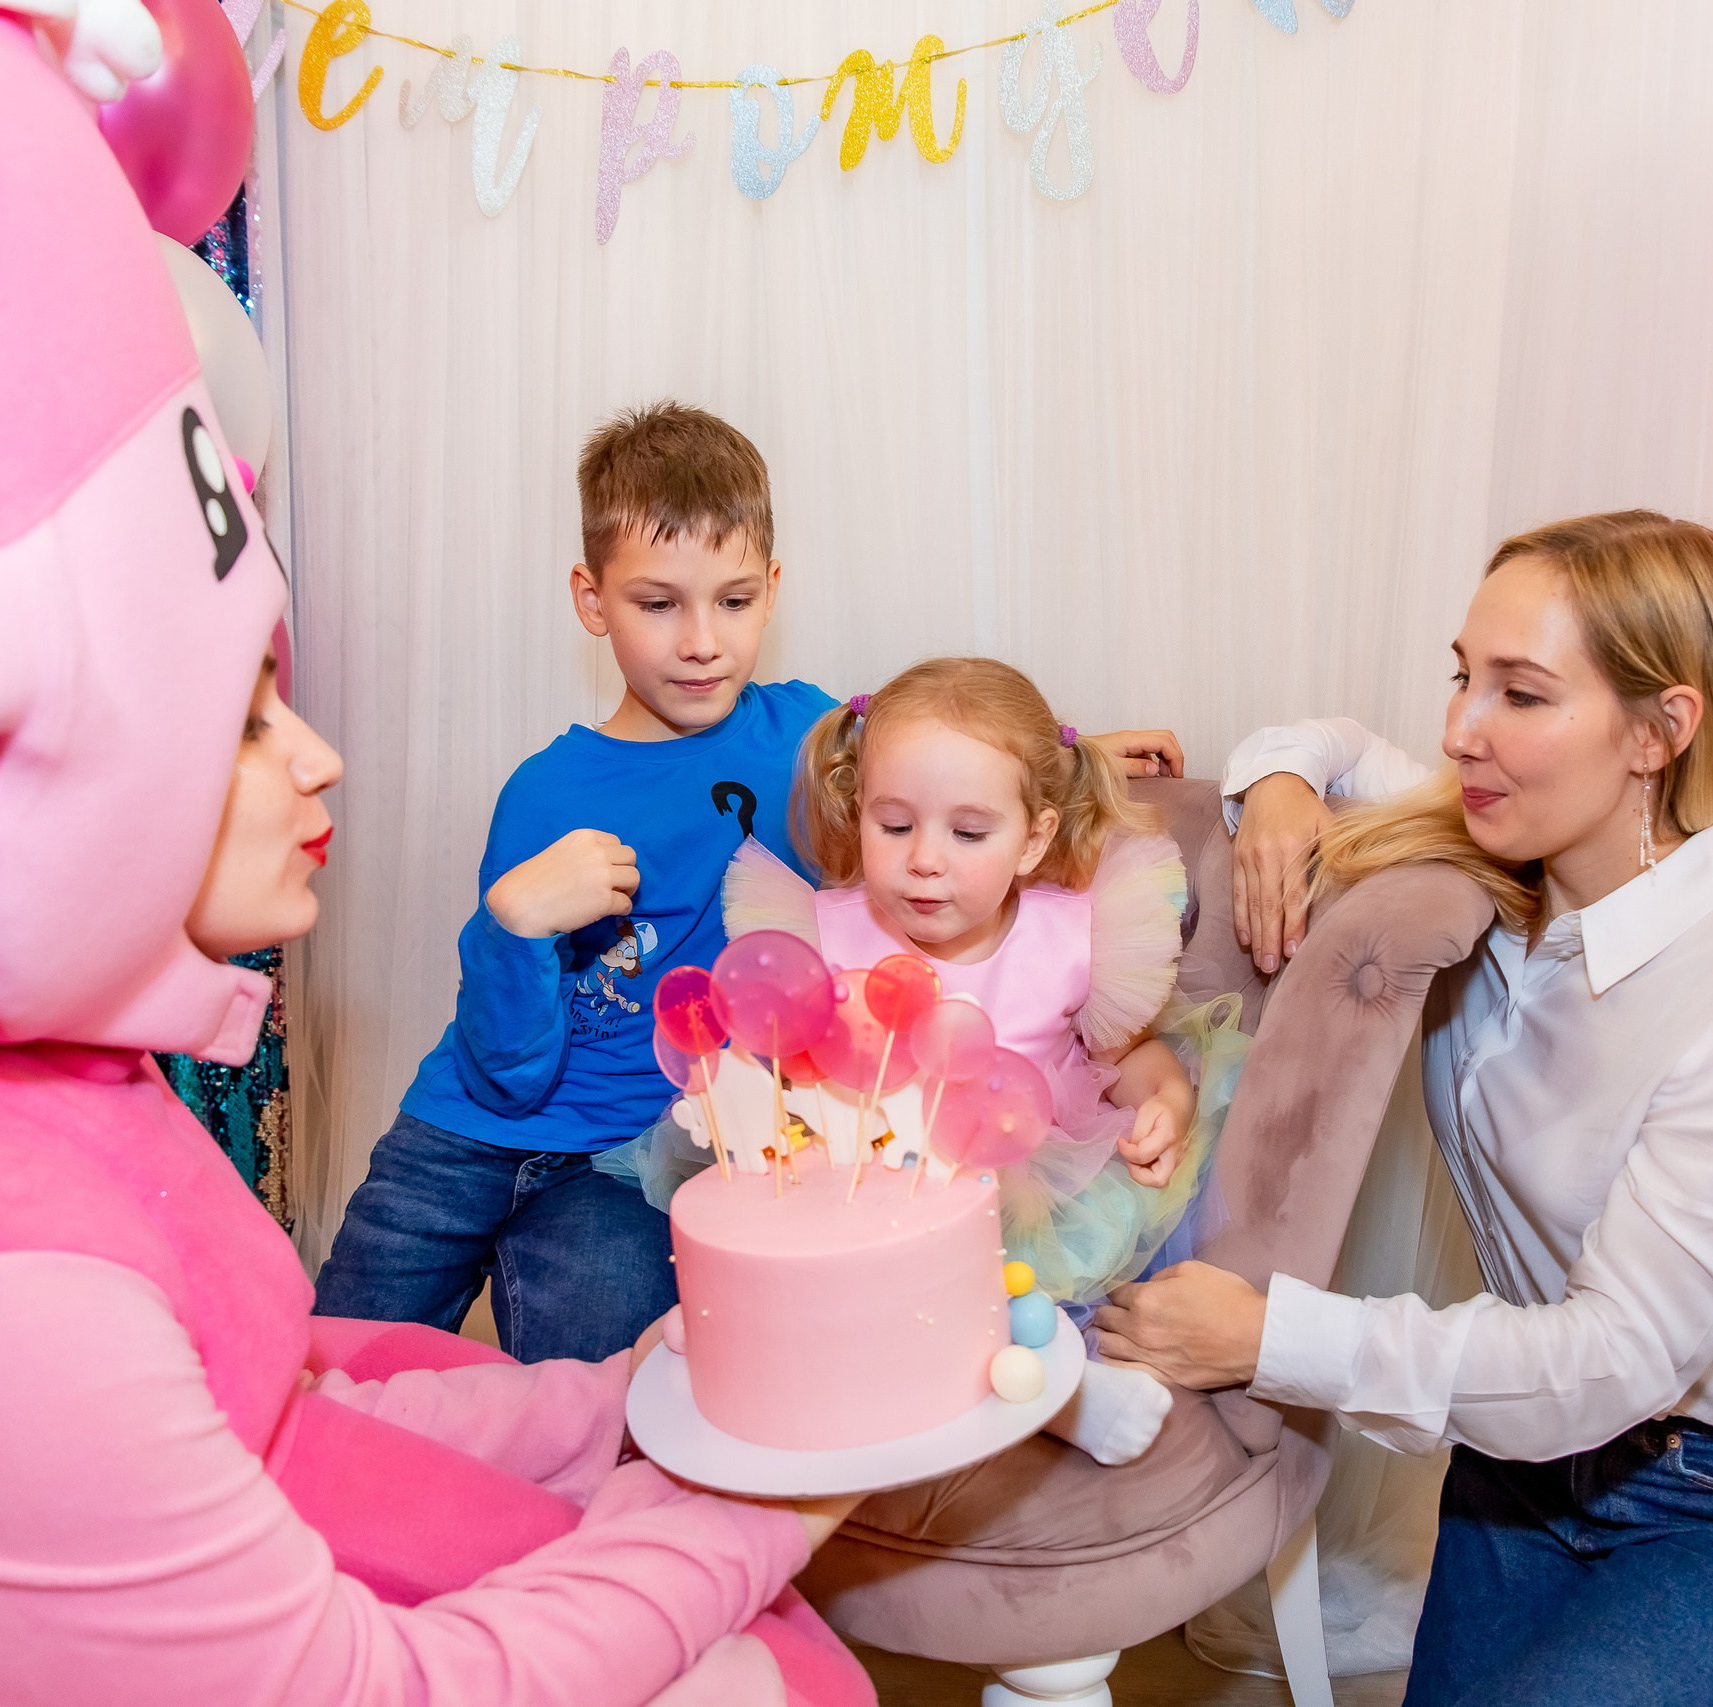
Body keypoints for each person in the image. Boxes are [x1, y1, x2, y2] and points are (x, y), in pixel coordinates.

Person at [0, 11, 871, 1701]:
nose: (321, 759)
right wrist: (751, 1506)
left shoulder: (62, 1088)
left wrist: (621, 1407)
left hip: (607, 1164)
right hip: (473, 1137)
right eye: (239, 716)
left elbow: (279, 1402)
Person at [1096, 512, 1713, 1707]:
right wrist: (1282, 781)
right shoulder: (1497, 859)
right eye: (1463, 676)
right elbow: (1334, 746)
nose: (1460, 730)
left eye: (1521, 693)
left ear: (1661, 731)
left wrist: (1268, 1338)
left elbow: (1616, 1357)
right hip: (1523, 1468)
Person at [314, 409, 1187, 1363]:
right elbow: (508, 1070)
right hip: (461, 1130)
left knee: (613, 1394)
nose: (701, 642)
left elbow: (933, 752)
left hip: (635, 1162)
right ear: (591, 598)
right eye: (658, 603)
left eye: (732, 601)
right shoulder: (545, 792)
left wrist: (1066, 756)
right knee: (330, 1369)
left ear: (772, 590)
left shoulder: (806, 737)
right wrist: (512, 925)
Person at [608, 657, 1242, 1465]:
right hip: (866, 1186)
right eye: (895, 825)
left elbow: (1130, 1058)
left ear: (1032, 838)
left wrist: (1168, 1104)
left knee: (1030, 1290)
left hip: (1023, 1183)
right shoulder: (824, 933)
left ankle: (1060, 1389)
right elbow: (781, 1077)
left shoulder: (1071, 937)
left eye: (968, 833)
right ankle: (760, 1372)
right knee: (831, 1294)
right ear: (857, 812)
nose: (925, 860)